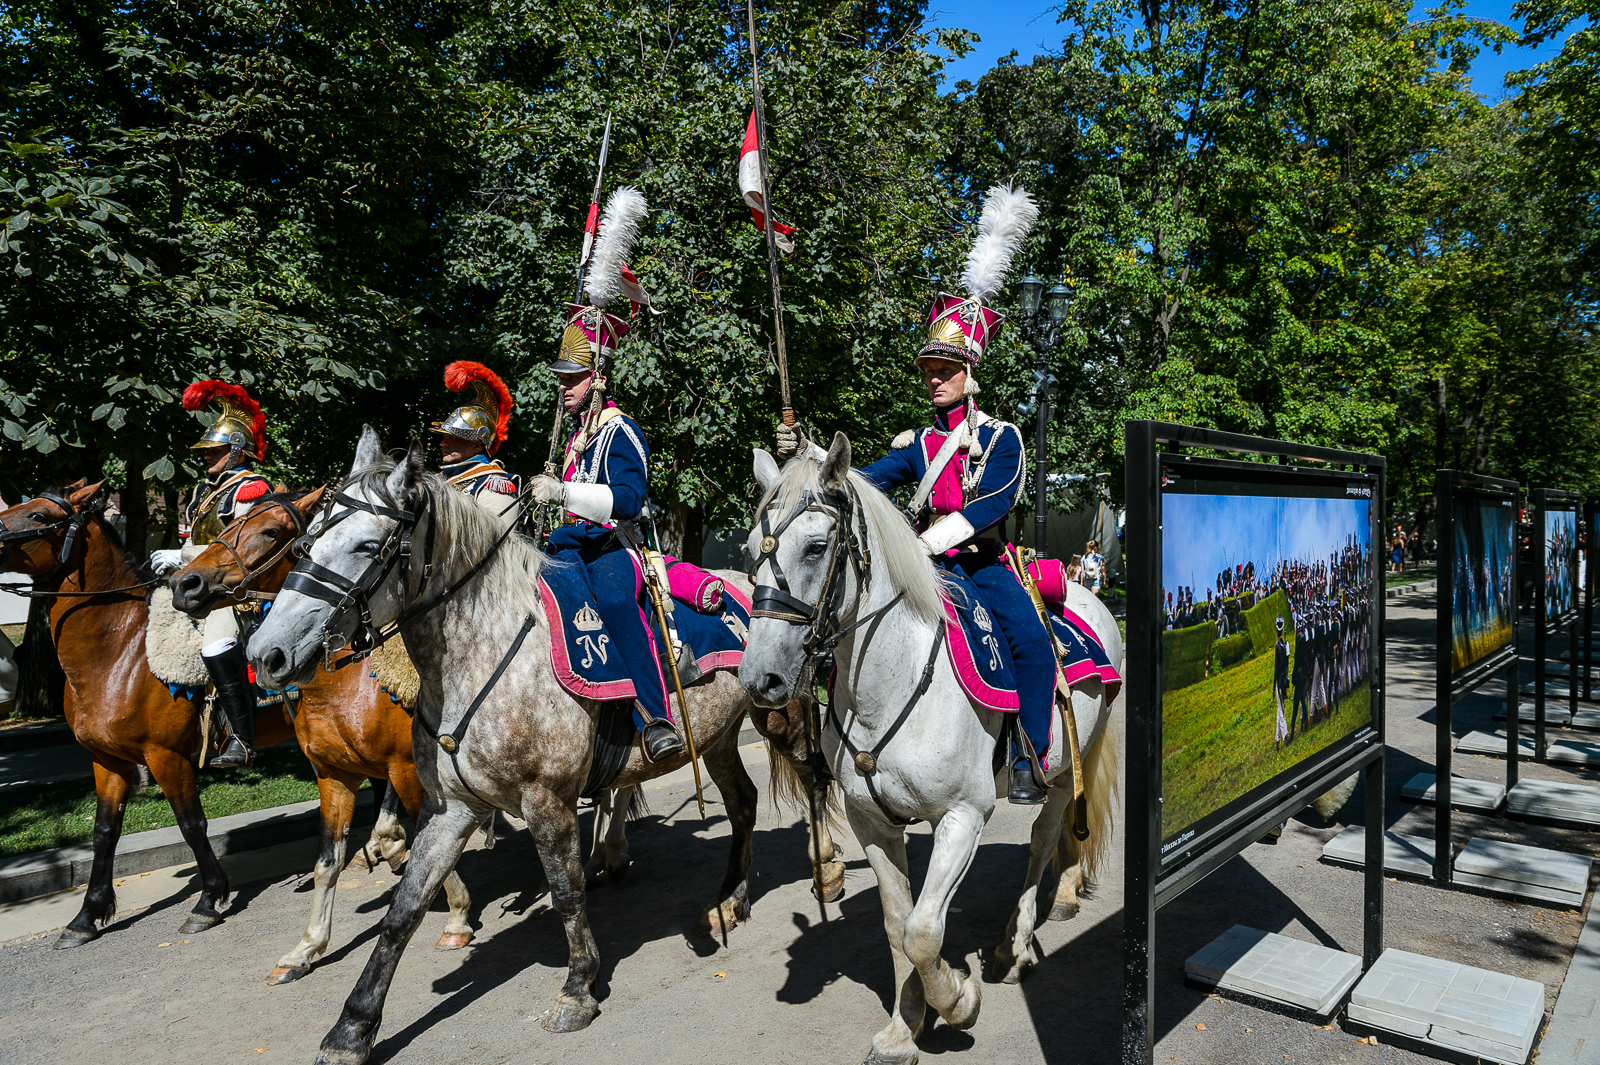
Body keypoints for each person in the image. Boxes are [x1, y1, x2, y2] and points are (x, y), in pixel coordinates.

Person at [776, 183, 1052, 804]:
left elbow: (994, 504)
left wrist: (925, 540)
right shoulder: (920, 445)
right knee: (835, 629)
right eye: (929, 370)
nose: (934, 379)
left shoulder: (1002, 437)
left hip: (981, 567)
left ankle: (1031, 754)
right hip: (922, 569)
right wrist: (806, 452)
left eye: (945, 371)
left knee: (1030, 644)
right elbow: (863, 479)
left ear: (971, 374)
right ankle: (833, 741)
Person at [526, 188, 683, 763]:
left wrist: (564, 491)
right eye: (561, 378)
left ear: (597, 375)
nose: (563, 386)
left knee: (617, 603)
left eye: (572, 377)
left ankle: (654, 717)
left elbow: (630, 499)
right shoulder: (573, 437)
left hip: (614, 547)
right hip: (568, 545)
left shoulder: (621, 431)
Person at [161, 381, 274, 767]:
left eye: (215, 450)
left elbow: (243, 550)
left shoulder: (251, 489)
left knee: (214, 645)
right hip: (194, 579)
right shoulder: (206, 490)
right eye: (207, 451)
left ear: (237, 450)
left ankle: (242, 739)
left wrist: (181, 554)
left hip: (231, 589)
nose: (207, 457)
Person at [430, 361, 521, 528]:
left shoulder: (494, 485)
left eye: (454, 438)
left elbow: (500, 545)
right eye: (444, 437)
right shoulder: (443, 479)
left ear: (477, 446)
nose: (443, 443)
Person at [1273, 615, 1290, 747]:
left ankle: (1285, 735)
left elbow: (1276, 670)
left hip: (1280, 681)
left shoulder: (1278, 647)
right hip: (1284, 679)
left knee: (1281, 710)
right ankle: (1277, 739)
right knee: (1280, 709)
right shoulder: (1284, 645)